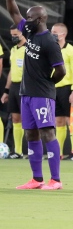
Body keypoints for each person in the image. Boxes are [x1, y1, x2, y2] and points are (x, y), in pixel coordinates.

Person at [4, 0, 66, 190]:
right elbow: (14, 13)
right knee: (31, 134)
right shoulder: (29, 33)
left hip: (41, 94)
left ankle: (55, 180)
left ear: (40, 19)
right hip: (26, 94)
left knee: (47, 133)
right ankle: (37, 179)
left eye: (30, 17)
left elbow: (61, 71)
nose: (26, 20)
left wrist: (48, 84)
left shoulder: (49, 41)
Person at [50, 23, 73, 161]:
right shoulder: (51, 50)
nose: (52, 34)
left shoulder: (71, 51)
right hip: (54, 88)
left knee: (71, 120)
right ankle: (59, 153)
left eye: (55, 32)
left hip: (67, 88)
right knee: (59, 121)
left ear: (63, 34)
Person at [1, 24, 26, 159]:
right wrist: (6, 90)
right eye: (12, 35)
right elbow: (12, 71)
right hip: (15, 87)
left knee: (30, 120)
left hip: (27, 87)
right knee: (16, 118)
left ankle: (36, 150)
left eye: (16, 35)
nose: (13, 37)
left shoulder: (29, 49)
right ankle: (18, 151)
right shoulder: (13, 49)